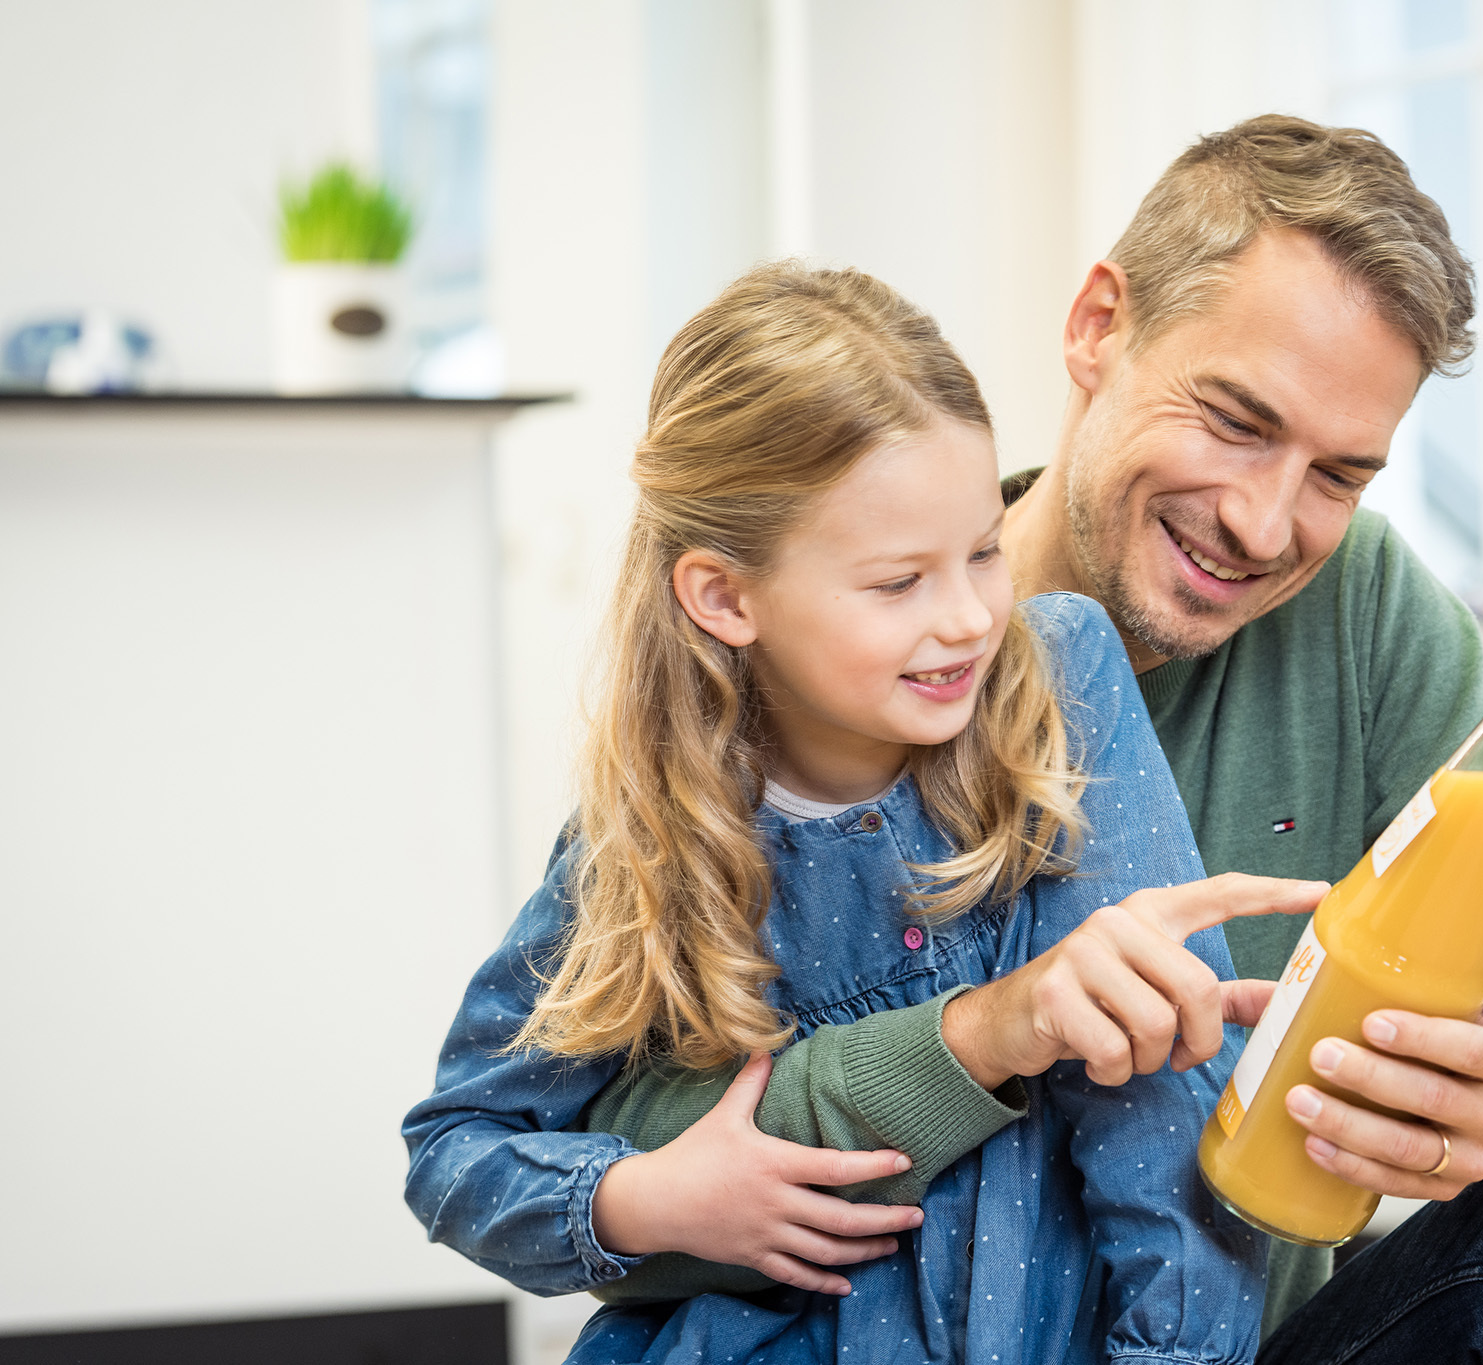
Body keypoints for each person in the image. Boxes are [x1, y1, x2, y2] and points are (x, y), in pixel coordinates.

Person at [597, 116, 1483, 1361]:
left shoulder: (1354, 602)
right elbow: (627, 1173)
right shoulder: (825, 653)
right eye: (1235, 420)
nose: (1265, 526)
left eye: (1337, 474)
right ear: (1100, 325)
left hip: (1236, 1334)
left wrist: (1479, 1082)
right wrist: (985, 1034)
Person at [400, 262, 1311, 1364]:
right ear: (725, 598)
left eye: (982, 550)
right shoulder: (642, 839)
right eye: (896, 583)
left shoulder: (1061, 683)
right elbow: (455, 1150)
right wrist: (649, 1201)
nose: (968, 618)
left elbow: (1164, 1119)